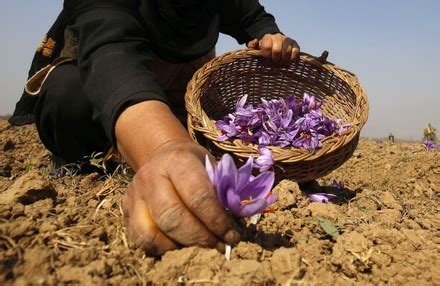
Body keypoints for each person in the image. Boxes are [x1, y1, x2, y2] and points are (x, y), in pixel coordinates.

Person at [10, 0, 300, 255]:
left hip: (176, 89)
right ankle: (92, 157)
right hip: (104, 80)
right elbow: (111, 50)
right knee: (69, 99)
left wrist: (271, 37)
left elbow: (251, 16)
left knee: (219, 120)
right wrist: (163, 147)